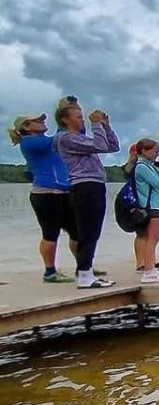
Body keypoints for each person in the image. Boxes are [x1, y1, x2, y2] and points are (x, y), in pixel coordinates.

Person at [53, 96, 120, 288]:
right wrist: (96, 125)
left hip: (95, 184)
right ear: (65, 119)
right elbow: (99, 146)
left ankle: (86, 272)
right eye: (78, 116)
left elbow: (112, 146)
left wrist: (105, 126)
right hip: (84, 186)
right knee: (88, 230)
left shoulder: (81, 138)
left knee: (93, 230)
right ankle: (83, 274)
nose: (82, 119)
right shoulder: (64, 138)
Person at [10, 113, 77, 283]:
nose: (43, 122)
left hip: (63, 192)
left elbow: (65, 137)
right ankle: (50, 271)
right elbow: (59, 137)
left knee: (78, 232)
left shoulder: (44, 141)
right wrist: (63, 115)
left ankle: (84, 265)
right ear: (26, 126)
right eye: (38, 120)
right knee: (50, 233)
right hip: (45, 193)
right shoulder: (29, 142)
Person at [125, 139, 159, 283]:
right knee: (152, 239)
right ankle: (149, 271)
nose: (157, 154)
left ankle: (150, 269)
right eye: (155, 151)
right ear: (144, 151)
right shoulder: (141, 167)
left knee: (152, 239)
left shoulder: (149, 166)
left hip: (156, 207)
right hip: (151, 207)